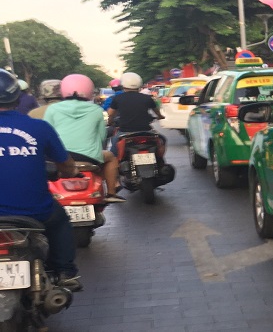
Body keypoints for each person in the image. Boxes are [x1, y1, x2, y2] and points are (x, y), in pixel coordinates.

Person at [0, 69, 82, 292]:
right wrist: (68, 173)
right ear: (17, 97)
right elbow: (66, 164)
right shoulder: (39, 127)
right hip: (35, 210)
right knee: (60, 222)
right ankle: (64, 271)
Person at [44, 74, 126, 203]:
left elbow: (47, 135)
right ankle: (111, 192)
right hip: (89, 157)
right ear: (89, 89)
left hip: (60, 156)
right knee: (110, 157)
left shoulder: (52, 109)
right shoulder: (96, 110)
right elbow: (101, 137)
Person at [107, 72, 164, 156]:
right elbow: (157, 111)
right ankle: (160, 161)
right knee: (162, 140)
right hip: (146, 131)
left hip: (124, 132)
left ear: (123, 85)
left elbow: (111, 114)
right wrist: (160, 116)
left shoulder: (118, 98)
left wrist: (110, 121)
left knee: (113, 153)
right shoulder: (147, 98)